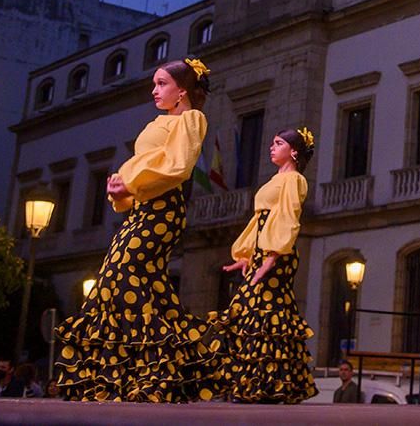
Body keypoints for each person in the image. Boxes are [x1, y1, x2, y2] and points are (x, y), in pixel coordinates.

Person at [54, 58, 220, 402]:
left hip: (163, 210)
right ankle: (134, 372)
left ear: (182, 91)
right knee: (136, 284)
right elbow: (147, 167)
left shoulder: (191, 118)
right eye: (154, 83)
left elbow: (177, 167)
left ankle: (156, 362)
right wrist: (122, 190)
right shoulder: (161, 122)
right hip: (143, 209)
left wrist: (131, 184)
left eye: (161, 84)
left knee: (124, 273)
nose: (154, 90)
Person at [212, 128, 319, 404]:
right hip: (264, 251)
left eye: (279, 143)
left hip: (278, 252)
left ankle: (267, 384)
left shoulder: (295, 180)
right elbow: (258, 222)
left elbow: (288, 218)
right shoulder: (276, 179)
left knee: (267, 312)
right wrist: (246, 255)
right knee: (256, 313)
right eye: (272, 143)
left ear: (293, 151)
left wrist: (272, 256)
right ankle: (258, 383)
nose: (272, 147)